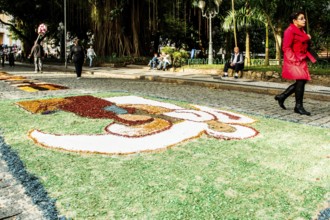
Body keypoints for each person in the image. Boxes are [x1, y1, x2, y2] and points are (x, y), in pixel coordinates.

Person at [274, 11, 316, 116]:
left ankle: (282, 97)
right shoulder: (289, 31)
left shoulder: (301, 30)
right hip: (294, 59)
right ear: (294, 21)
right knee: (301, 81)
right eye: (301, 18)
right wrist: (294, 59)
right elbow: (286, 47)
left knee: (301, 81)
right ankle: (298, 106)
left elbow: (302, 43)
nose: (304, 20)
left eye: (304, 18)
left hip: (301, 59)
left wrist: (308, 38)